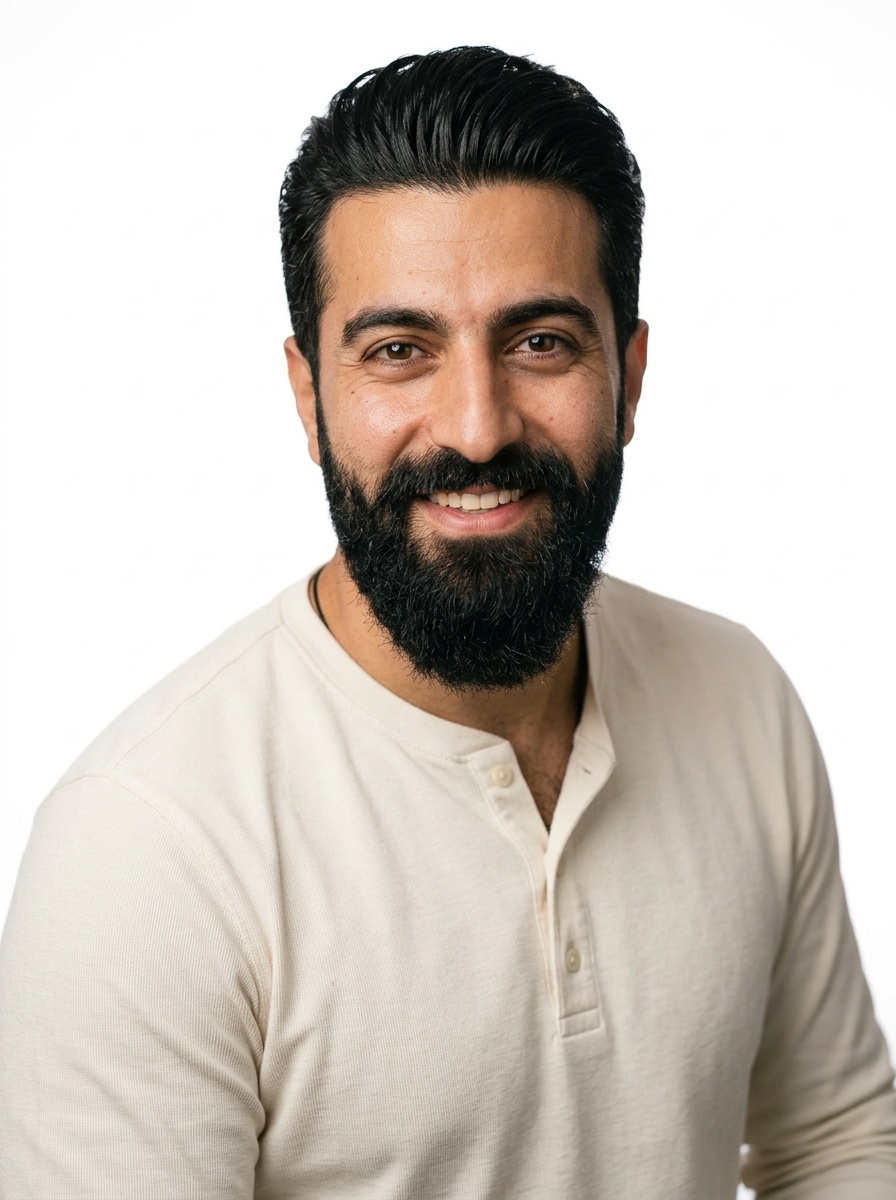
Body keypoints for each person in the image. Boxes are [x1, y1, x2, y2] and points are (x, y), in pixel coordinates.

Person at [1, 44, 894, 1200]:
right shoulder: (146, 849)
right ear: (306, 397)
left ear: (628, 372)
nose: (475, 427)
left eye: (539, 342)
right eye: (398, 352)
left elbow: (832, 1142)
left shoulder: (739, 696)